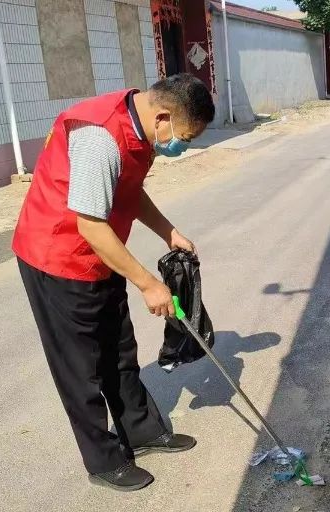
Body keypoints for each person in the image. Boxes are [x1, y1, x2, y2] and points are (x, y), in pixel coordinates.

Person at [12, 73, 215, 492]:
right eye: (186, 138)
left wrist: (167, 230)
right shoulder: (99, 138)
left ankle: (141, 432)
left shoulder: (141, 127)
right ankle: (103, 460)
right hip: (58, 255)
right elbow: (90, 227)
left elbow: (129, 189)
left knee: (119, 349)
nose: (182, 146)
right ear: (163, 118)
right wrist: (147, 283)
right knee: (80, 367)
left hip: (101, 255)